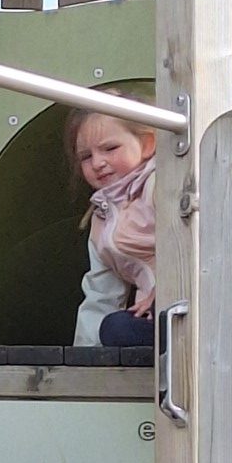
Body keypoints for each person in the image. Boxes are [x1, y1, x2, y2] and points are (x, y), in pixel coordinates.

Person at [65, 101, 157, 348]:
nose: (97, 163)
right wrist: (83, 359)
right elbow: (101, 295)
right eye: (86, 157)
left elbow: (197, 246)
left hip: (194, 302)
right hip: (158, 320)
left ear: (147, 144)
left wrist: (163, 293)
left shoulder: (159, 186)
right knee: (114, 328)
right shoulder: (102, 221)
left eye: (110, 148)